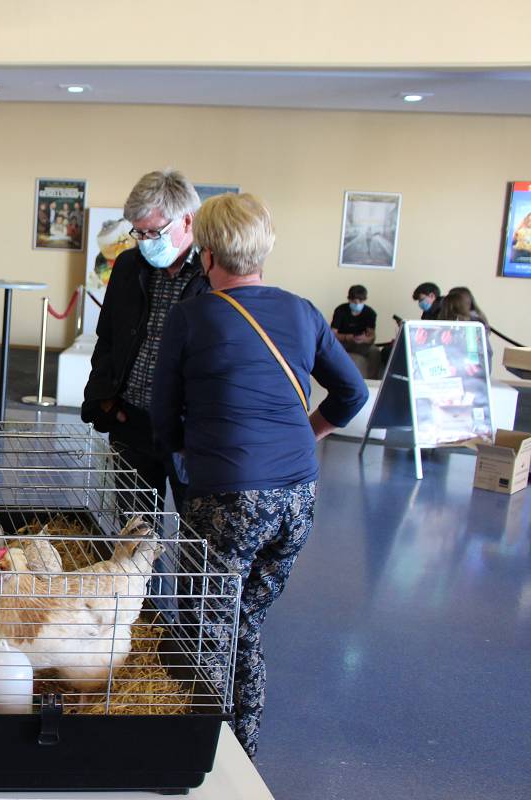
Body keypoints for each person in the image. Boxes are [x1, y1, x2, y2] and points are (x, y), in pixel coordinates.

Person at [151, 193, 368, 758]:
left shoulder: (193, 315)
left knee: (209, 624)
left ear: (208, 252)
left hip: (228, 496)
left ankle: (202, 753)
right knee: (245, 622)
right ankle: (241, 751)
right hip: (297, 496)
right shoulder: (301, 310)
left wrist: (186, 462)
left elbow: (163, 412)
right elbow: (352, 392)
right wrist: (311, 433)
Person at [81, 169, 209, 510]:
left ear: (187, 221)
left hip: (190, 433)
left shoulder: (213, 274)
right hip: (132, 422)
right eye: (139, 232)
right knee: (133, 534)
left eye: (155, 231)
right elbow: (107, 338)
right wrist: (106, 399)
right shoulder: (127, 266)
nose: (146, 241)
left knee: (197, 538)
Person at [329, 285, 376, 354]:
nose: (357, 304)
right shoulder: (340, 310)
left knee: (374, 352)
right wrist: (347, 337)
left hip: (361, 344)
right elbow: (332, 334)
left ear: (365, 300)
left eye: (360, 301)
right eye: (354, 302)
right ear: (349, 299)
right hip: (341, 342)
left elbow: (372, 336)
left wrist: (364, 339)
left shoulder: (370, 313)